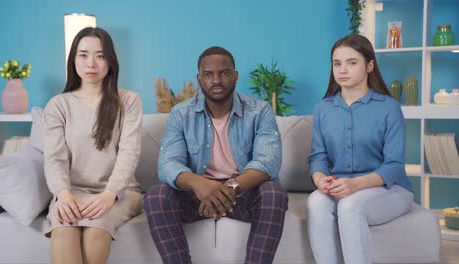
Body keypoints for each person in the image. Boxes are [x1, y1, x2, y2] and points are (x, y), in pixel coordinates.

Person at [144, 46, 288, 264]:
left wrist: (229, 188)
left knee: (273, 193)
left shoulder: (260, 110)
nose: (217, 80)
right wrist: (200, 185)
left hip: (242, 192)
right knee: (156, 196)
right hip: (198, 195)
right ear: (199, 78)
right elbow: (167, 164)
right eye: (208, 74)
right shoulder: (181, 114)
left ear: (236, 76)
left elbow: (268, 162)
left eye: (225, 73)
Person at [307, 34, 414, 264]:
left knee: (350, 205)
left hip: (389, 189)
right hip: (341, 186)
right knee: (315, 201)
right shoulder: (323, 109)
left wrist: (355, 184)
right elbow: (318, 157)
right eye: (337, 63)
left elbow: (394, 166)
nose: (342, 69)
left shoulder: (389, 108)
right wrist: (320, 179)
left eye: (351, 62)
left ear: (369, 65)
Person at [43, 27, 143, 264]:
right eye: (83, 55)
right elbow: (54, 158)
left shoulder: (129, 101)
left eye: (100, 55)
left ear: (110, 61)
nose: (91, 63)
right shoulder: (58, 105)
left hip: (120, 192)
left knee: (97, 227)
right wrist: (63, 195)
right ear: (73, 60)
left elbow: (129, 153)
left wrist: (109, 194)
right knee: (64, 229)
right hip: (72, 192)